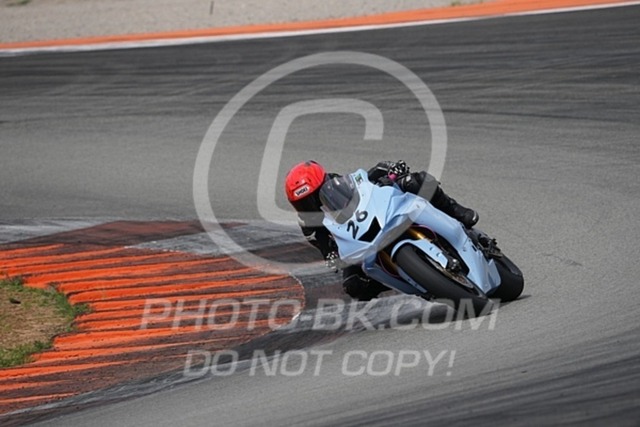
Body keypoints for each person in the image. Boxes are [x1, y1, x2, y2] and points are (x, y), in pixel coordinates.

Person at [284, 160, 479, 301]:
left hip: (379, 213)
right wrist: (331, 256)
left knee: (415, 180)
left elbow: (369, 176)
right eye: (302, 203)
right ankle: (413, 280)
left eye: (311, 198)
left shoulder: (340, 183)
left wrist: (391, 170)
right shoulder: (308, 223)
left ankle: (456, 212)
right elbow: (324, 247)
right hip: (355, 245)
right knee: (353, 286)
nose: (309, 205)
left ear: (323, 183)